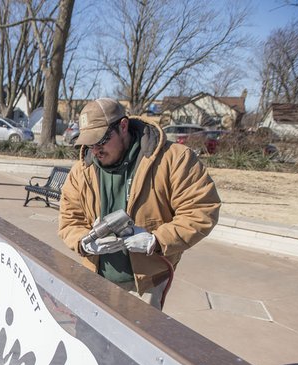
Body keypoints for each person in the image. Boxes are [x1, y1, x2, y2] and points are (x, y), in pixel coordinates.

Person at [58, 98, 221, 310]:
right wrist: (83, 241)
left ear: (123, 126)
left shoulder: (174, 159)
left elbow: (201, 210)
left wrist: (156, 240)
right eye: (89, 143)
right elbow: (69, 218)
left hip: (145, 284)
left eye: (101, 140)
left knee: (133, 342)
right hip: (94, 278)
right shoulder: (82, 170)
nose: (95, 150)